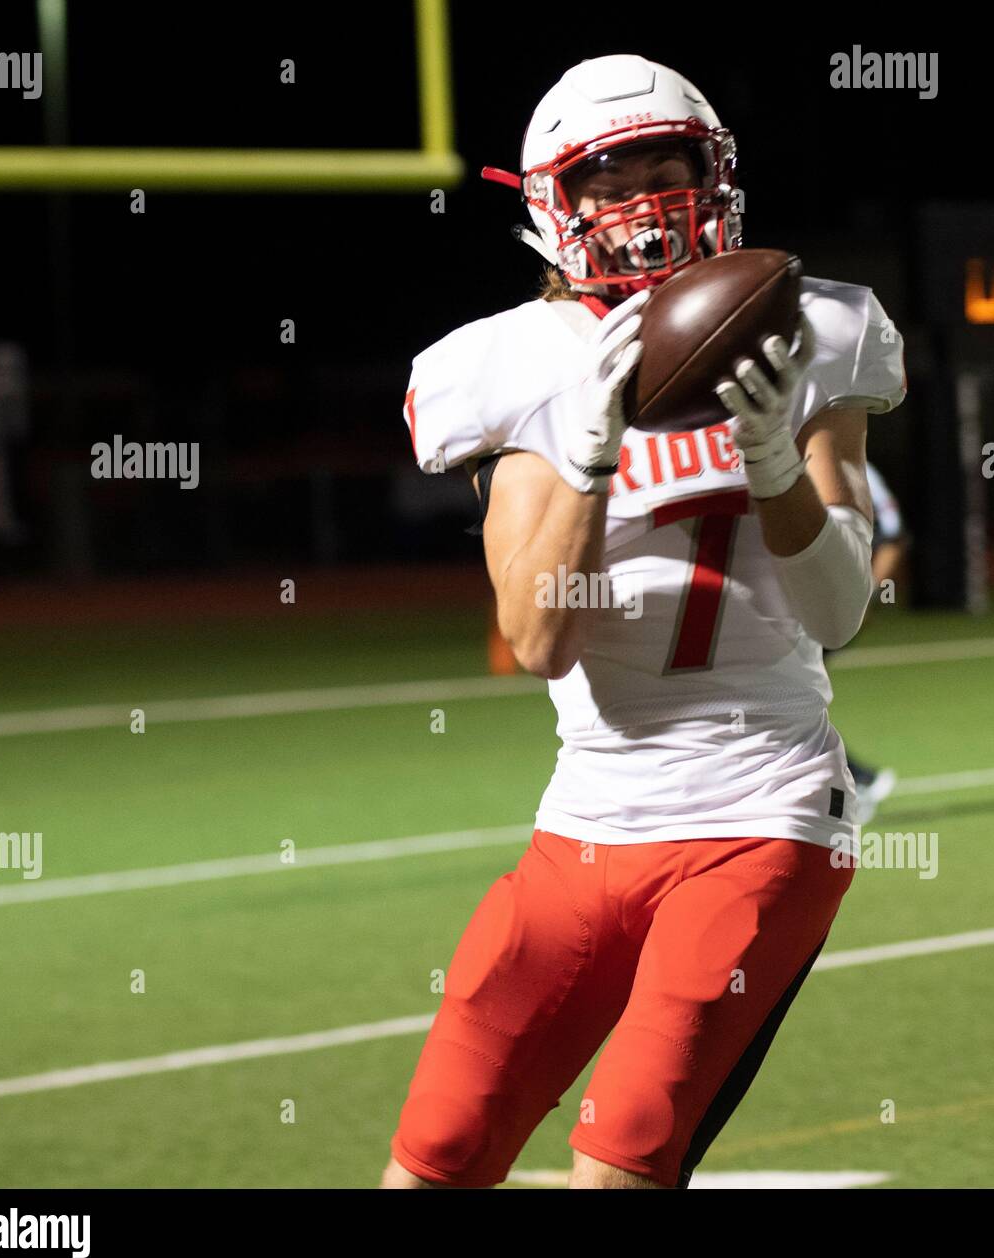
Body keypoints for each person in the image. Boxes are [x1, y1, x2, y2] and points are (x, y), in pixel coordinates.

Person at [384, 54, 906, 1190]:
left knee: (619, 1159)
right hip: (587, 817)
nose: (646, 204)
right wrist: (585, 451)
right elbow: (537, 641)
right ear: (552, 210)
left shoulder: (809, 327)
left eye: (666, 168)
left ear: (713, 172)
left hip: (762, 806)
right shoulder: (512, 368)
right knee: (436, 1157)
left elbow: (838, 611)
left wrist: (772, 461)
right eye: (609, 180)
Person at [836, 461, 911, 824]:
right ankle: (857, 779)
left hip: (832, 609)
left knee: (782, 694)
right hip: (793, 605)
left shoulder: (856, 466)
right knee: (786, 696)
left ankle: (856, 781)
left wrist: (868, 597)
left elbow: (893, 539)